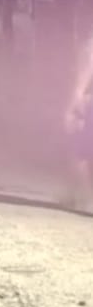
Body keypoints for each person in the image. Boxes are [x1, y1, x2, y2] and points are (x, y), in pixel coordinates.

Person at [62, 32, 93, 212]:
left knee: (81, 152)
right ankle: (80, 196)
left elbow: (82, 80)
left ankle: (84, 197)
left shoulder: (89, 47)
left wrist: (71, 107)